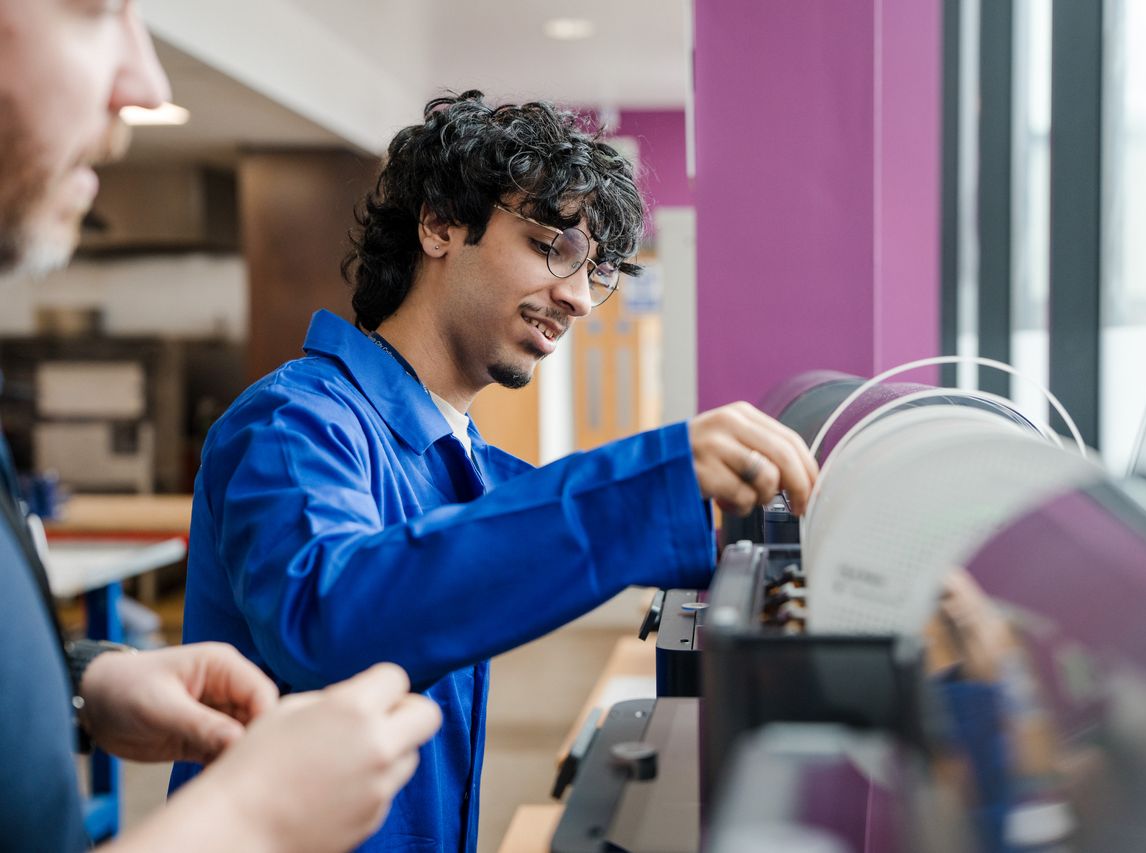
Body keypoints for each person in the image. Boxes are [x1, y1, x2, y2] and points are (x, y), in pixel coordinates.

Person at [172, 90, 820, 851]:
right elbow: (332, 613)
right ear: (440, 223)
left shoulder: (455, 455)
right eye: (554, 247)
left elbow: (528, 523)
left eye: (596, 270)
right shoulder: (293, 423)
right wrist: (659, 478)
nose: (579, 298)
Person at [0, 2, 441, 851]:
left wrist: (82, 683)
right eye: (91, 8)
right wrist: (252, 819)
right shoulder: (291, 417)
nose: (147, 80)